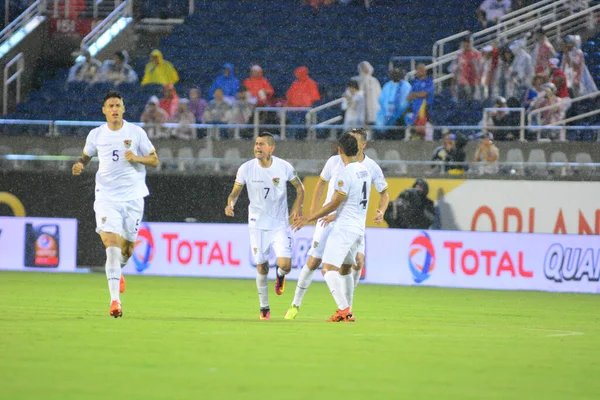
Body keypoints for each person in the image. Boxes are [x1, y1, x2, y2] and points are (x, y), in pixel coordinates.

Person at [285, 128, 389, 321]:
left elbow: (336, 202)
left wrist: (310, 216)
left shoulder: (357, 170)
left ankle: (345, 309)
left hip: (343, 223)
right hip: (346, 223)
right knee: (320, 262)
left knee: (331, 268)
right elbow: (335, 193)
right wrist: (318, 213)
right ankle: (296, 304)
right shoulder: (359, 170)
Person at [71, 91, 159, 318]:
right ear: (104, 110)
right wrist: (80, 164)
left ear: (123, 108)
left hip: (133, 198)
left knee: (127, 250)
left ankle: (118, 271)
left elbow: (155, 159)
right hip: (106, 197)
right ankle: (115, 302)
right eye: (110, 105)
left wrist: (137, 158)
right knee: (111, 244)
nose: (114, 109)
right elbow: (86, 155)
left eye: (118, 105)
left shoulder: (136, 132)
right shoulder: (96, 134)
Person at [224, 132, 305, 320]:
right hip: (257, 224)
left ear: (271, 148)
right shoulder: (246, 168)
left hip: (279, 224)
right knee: (261, 266)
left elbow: (300, 188)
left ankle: (280, 275)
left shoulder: (284, 167)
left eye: (261, 144)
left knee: (286, 265)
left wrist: (297, 207)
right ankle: (264, 308)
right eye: (255, 144)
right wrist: (230, 204)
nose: (257, 147)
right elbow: (235, 192)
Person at [375, 68, 412, 138]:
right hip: (387, 115)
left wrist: (398, 111)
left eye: (397, 74)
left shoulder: (406, 86)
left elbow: (407, 101)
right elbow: (381, 99)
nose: (395, 76)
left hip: (400, 116)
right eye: (394, 74)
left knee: (398, 136)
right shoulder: (387, 85)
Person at [406, 64, 435, 138]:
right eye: (417, 70)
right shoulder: (415, 83)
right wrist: (416, 95)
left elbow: (425, 94)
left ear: (425, 71)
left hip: (426, 111)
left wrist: (414, 94)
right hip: (415, 112)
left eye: (421, 69)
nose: (419, 71)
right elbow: (408, 98)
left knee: (427, 132)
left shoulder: (429, 81)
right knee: (411, 131)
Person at [353, 61, 381, 125]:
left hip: (372, 107)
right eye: (363, 67)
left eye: (366, 67)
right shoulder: (356, 80)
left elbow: (379, 95)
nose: (365, 69)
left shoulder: (374, 81)